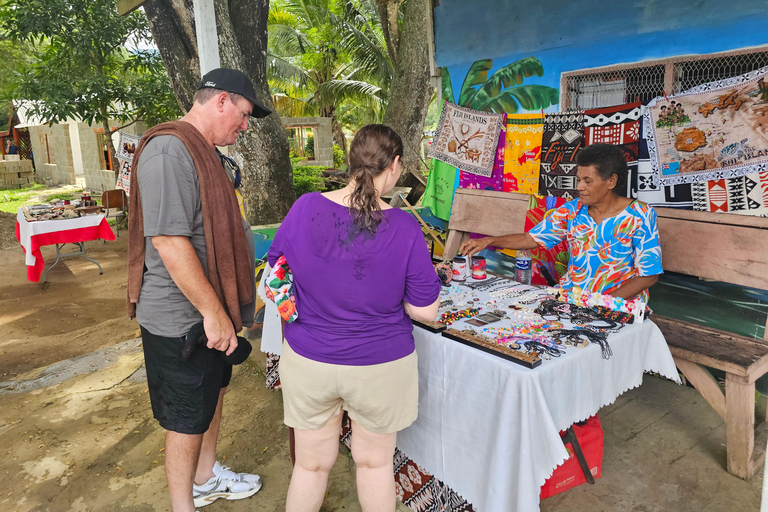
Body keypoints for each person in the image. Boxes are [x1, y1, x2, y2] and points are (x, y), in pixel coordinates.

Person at [268, 124, 441, 512]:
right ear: (395, 166)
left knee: (310, 467)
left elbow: (277, 271)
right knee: (375, 463)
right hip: (381, 365)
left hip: (310, 358)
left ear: (350, 161)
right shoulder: (404, 226)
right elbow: (424, 311)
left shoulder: (306, 207)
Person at [127, 68, 271, 512]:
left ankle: (205, 477)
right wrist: (212, 312)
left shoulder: (205, 151)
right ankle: (182, 504)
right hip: (182, 317)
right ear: (221, 101)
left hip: (211, 310)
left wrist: (223, 309)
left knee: (213, 393)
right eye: (244, 115)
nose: (245, 126)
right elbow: (169, 241)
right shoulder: (170, 151)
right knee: (186, 418)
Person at [461, 143, 662, 302]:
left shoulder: (640, 214)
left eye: (588, 181)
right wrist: (488, 241)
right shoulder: (572, 210)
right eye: (578, 179)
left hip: (617, 305)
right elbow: (530, 239)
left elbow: (649, 275)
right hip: (571, 299)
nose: (580, 187)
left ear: (611, 181)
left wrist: (603, 303)